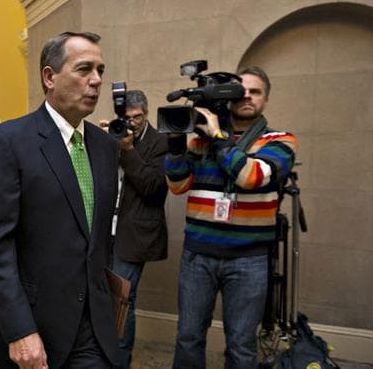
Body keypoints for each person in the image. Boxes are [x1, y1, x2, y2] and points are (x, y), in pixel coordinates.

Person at [0, 31, 121, 368]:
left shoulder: (105, 147)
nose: (96, 80)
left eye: (100, 70)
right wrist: (19, 330)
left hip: (93, 327)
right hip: (32, 326)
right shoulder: (9, 141)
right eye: (84, 69)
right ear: (49, 77)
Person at [164, 66, 297, 369]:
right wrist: (175, 146)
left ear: (266, 99)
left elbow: (252, 177)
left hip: (248, 260)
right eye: (241, 91)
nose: (247, 97)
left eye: (256, 92)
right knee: (188, 337)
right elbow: (177, 186)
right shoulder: (200, 140)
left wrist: (220, 139)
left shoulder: (280, 140)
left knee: (240, 345)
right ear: (228, 97)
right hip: (197, 255)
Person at [108, 90, 169, 368]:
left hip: (135, 234)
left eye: (138, 118)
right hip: (106, 229)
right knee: (104, 294)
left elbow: (152, 188)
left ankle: (120, 361)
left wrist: (128, 150)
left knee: (123, 298)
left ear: (146, 113)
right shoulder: (113, 135)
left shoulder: (160, 142)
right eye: (127, 118)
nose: (132, 124)